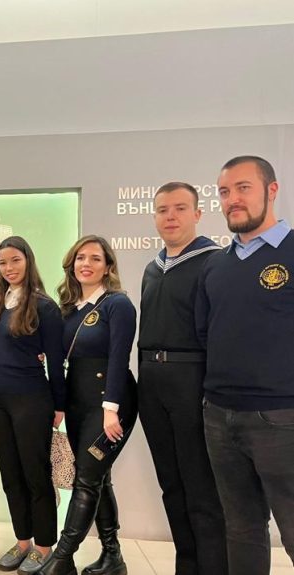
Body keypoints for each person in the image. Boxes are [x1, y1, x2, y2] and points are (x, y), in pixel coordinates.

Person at [196, 156, 294, 575]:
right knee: (241, 529)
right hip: (219, 417)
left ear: (271, 190)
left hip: (282, 418)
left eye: (243, 188)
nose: (232, 199)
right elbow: (206, 334)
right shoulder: (216, 264)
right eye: (224, 191)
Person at [138, 182, 226, 575]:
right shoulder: (152, 268)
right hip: (152, 383)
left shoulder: (213, 261)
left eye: (179, 208)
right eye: (162, 210)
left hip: (191, 380)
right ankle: (186, 566)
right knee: (171, 485)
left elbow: (219, 334)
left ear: (197, 213)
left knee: (201, 487)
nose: (170, 217)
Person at [39, 235, 137, 575]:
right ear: (72, 264)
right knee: (98, 477)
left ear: (108, 266)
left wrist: (111, 410)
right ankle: (113, 557)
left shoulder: (117, 304)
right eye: (81, 257)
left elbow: (119, 358)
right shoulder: (69, 309)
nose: (87, 264)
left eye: (95, 258)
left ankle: (62, 557)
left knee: (86, 479)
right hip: (79, 403)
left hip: (110, 404)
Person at [0, 237, 66, 574]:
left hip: (31, 399)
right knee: (10, 476)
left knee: (36, 475)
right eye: (3, 262)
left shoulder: (45, 307)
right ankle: (22, 542)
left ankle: (44, 546)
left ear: (28, 261)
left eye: (15, 260)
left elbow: (56, 362)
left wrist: (59, 406)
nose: (9, 268)